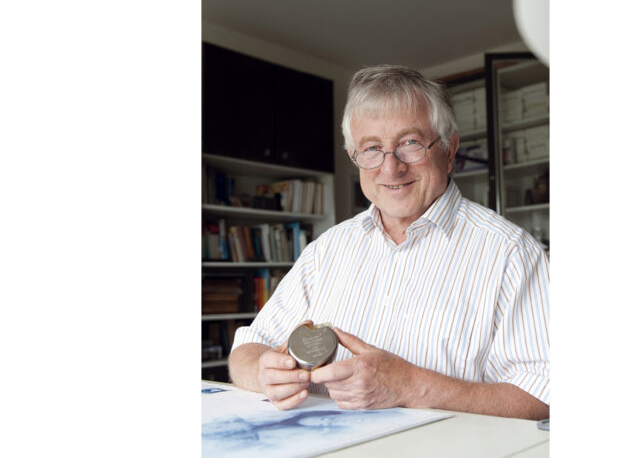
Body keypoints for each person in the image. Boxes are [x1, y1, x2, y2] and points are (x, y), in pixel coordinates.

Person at [228, 65, 550, 420]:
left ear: (449, 149)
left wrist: (411, 386)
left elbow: (545, 395)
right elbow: (248, 349)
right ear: (355, 157)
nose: (390, 167)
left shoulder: (512, 253)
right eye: (371, 148)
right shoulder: (326, 250)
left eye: (410, 143)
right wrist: (264, 372)